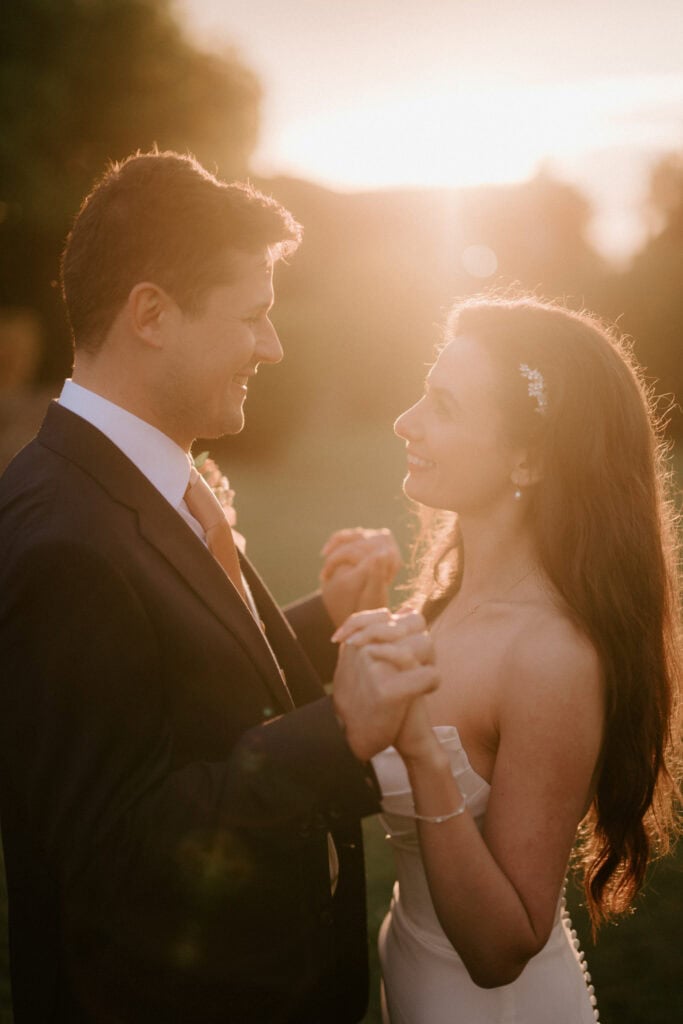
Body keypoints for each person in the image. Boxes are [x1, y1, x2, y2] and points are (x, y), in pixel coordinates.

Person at [0, 151, 438, 1024]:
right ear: (151, 315)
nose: (272, 348)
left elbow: (167, 680)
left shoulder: (130, 483)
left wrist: (322, 623)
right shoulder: (61, 539)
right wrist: (337, 727)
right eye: (254, 317)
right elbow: (118, 847)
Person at [330, 296, 681, 1023]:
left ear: (528, 457)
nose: (405, 422)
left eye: (443, 406)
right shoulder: (443, 596)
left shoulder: (550, 657)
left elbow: (500, 952)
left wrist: (424, 751)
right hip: (413, 983)